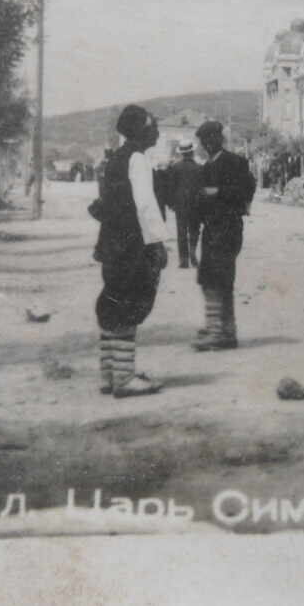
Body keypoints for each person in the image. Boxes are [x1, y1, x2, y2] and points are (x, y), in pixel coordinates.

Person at [91, 105, 169, 397]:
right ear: (140, 130)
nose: (156, 131)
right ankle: (124, 378)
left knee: (113, 302)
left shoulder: (115, 160)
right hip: (132, 244)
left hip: (112, 242)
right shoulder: (137, 159)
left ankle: (111, 372)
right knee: (129, 302)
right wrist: (157, 244)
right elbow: (145, 206)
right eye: (152, 126)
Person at [193, 120, 256, 351]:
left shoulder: (234, 162)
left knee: (217, 277)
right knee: (216, 278)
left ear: (218, 139)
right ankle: (225, 330)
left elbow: (246, 188)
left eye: (210, 139)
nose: (207, 144)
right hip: (212, 228)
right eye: (204, 141)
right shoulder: (208, 165)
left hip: (227, 228)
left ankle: (218, 332)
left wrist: (217, 192)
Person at [168, 140, 203, 269]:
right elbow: (202, 188)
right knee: (194, 229)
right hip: (195, 203)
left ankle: (184, 260)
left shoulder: (175, 168)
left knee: (181, 231)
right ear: (192, 152)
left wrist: (171, 203)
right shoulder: (199, 168)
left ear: (182, 154)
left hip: (180, 203)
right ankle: (193, 252)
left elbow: (170, 187)